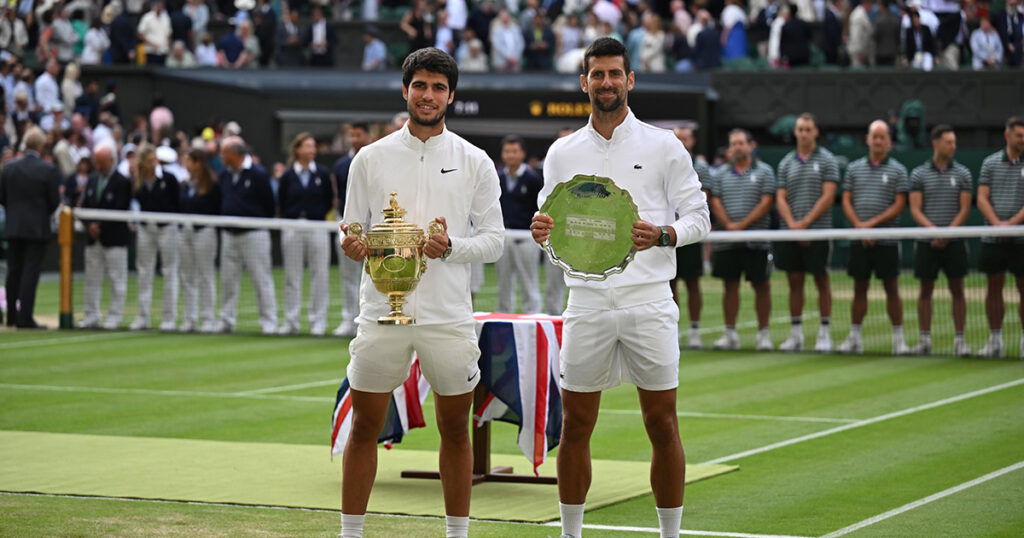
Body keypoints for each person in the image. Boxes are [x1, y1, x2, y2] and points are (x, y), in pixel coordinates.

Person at [530, 38, 709, 538]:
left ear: (630, 80)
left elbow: (700, 216)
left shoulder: (664, 144)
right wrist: (541, 232)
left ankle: (670, 534)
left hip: (649, 301)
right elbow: (551, 225)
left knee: (662, 424)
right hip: (585, 304)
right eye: (597, 75)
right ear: (583, 82)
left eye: (614, 74)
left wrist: (665, 234)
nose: (605, 83)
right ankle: (570, 534)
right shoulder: (562, 152)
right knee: (576, 425)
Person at [338, 48, 504, 538]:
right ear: (405, 90)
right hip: (380, 311)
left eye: (437, 87)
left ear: (451, 95)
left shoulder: (475, 161)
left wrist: (450, 246)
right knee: (364, 425)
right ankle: (351, 533)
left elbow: (494, 241)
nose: (428, 95)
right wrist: (350, 244)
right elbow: (351, 227)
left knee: (456, 428)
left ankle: (457, 534)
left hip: (448, 315)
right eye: (420, 86)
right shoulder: (370, 158)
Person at [836, 120, 910, 355]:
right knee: (859, 288)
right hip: (860, 239)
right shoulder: (854, 169)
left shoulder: (898, 170)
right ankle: (855, 337)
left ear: (889, 141)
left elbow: (899, 204)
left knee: (891, 288)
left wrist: (872, 226)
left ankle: (899, 340)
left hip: (886, 240)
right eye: (874, 137)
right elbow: (846, 199)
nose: (878, 141)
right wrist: (859, 226)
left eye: (882, 137)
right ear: (868, 139)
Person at [775, 113, 839, 352]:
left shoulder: (828, 160)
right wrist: (793, 225)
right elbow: (780, 197)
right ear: (795, 133)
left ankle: (824, 333)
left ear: (815, 132)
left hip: (818, 233)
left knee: (821, 280)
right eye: (800, 129)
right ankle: (796, 334)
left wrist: (806, 224)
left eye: (808, 129)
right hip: (790, 233)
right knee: (794, 282)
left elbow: (828, 195)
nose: (803, 133)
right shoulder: (786, 163)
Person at [707, 129, 775, 351]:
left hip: (757, 241)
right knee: (730, 286)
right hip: (728, 242)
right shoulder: (719, 174)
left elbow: (766, 202)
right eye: (733, 144)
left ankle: (764, 335)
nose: (737, 147)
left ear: (750, 146)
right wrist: (729, 226)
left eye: (741, 143)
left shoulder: (765, 172)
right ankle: (730, 334)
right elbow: (715, 201)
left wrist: (742, 226)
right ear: (729, 148)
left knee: (761, 285)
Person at [908, 125, 972, 356]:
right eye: (948, 142)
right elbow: (915, 209)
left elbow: (964, 209)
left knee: (958, 290)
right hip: (927, 242)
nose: (952, 146)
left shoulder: (963, 173)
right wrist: (934, 232)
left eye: (954, 142)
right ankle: (924, 340)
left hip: (954, 242)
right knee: (925, 290)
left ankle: (960, 340)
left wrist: (947, 234)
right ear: (936, 144)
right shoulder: (918, 174)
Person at [216, 135, 278, 335]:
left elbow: (269, 204)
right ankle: (226, 320)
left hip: (254, 234)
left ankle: (269, 322)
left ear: (235, 153)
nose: (221, 157)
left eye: (224, 153)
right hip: (228, 234)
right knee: (227, 280)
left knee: (261, 279)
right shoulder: (224, 175)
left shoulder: (258, 174)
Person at [0, 127, 60, 328]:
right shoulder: (47, 169)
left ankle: (11, 317)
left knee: (13, 271)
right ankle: (25, 317)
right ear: (42, 146)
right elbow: (54, 201)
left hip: (14, 227)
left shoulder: (9, 168)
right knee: (29, 273)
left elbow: (2, 198)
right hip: (36, 229)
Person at [976, 116, 1024, 358]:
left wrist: (1012, 225)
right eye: (1019, 135)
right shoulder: (990, 163)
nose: (1023, 140)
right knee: (994, 289)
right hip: (994, 239)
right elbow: (982, 197)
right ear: (1008, 136)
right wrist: (997, 225)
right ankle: (995, 341)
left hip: (1021, 240)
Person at [278, 132, 333, 336]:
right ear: (297, 150)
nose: (312, 150)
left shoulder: (322, 173)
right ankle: (291, 321)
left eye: (313, 146)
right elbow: (282, 202)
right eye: (307, 146)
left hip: (317, 227)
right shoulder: (287, 176)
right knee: (292, 277)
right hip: (292, 228)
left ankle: (318, 322)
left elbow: (328, 200)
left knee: (320, 275)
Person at [78, 142, 132, 330]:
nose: (99, 166)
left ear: (111, 160)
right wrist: (89, 226)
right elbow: (84, 206)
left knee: (117, 279)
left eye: (102, 162)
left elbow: (120, 208)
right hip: (94, 240)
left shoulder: (123, 182)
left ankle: (115, 316)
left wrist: (100, 226)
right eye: (96, 162)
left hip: (114, 239)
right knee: (92, 279)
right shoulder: (92, 180)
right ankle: (91, 315)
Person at [130, 143, 181, 331]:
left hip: (168, 228)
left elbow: (177, 204)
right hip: (145, 229)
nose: (153, 163)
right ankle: (143, 317)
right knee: (144, 272)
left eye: (155, 160)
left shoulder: (169, 178)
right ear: (142, 162)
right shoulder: (136, 181)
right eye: (149, 160)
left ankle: (169, 318)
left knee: (169, 271)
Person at [332, 122, 372, 338]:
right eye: (351, 135)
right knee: (348, 275)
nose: (354, 139)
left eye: (358, 134)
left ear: (366, 135)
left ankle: (369, 320)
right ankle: (349, 320)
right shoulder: (341, 164)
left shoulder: (376, 158)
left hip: (374, 225)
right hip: (348, 224)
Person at [671, 126, 709, 349]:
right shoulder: (666, 162)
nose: (682, 142)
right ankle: (672, 329)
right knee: (670, 283)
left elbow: (703, 200)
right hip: (668, 233)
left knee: (693, 283)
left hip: (690, 234)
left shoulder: (701, 166)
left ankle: (695, 330)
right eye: (678, 139)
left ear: (692, 141)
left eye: (685, 138)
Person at [496, 134, 543, 314]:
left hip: (526, 236)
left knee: (528, 282)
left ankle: (533, 317)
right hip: (504, 235)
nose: (510, 155)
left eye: (514, 151)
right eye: (507, 151)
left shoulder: (533, 178)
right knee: (504, 283)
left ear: (522, 154)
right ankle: (503, 317)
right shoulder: (498, 177)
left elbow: (539, 206)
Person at [178, 148, 221, 333]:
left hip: (205, 232)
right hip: (184, 232)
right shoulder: (185, 184)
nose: (185, 164)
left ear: (198, 163)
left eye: (188, 161)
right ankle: (189, 319)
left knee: (206, 276)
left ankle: (208, 319)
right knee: (187, 277)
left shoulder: (213, 185)